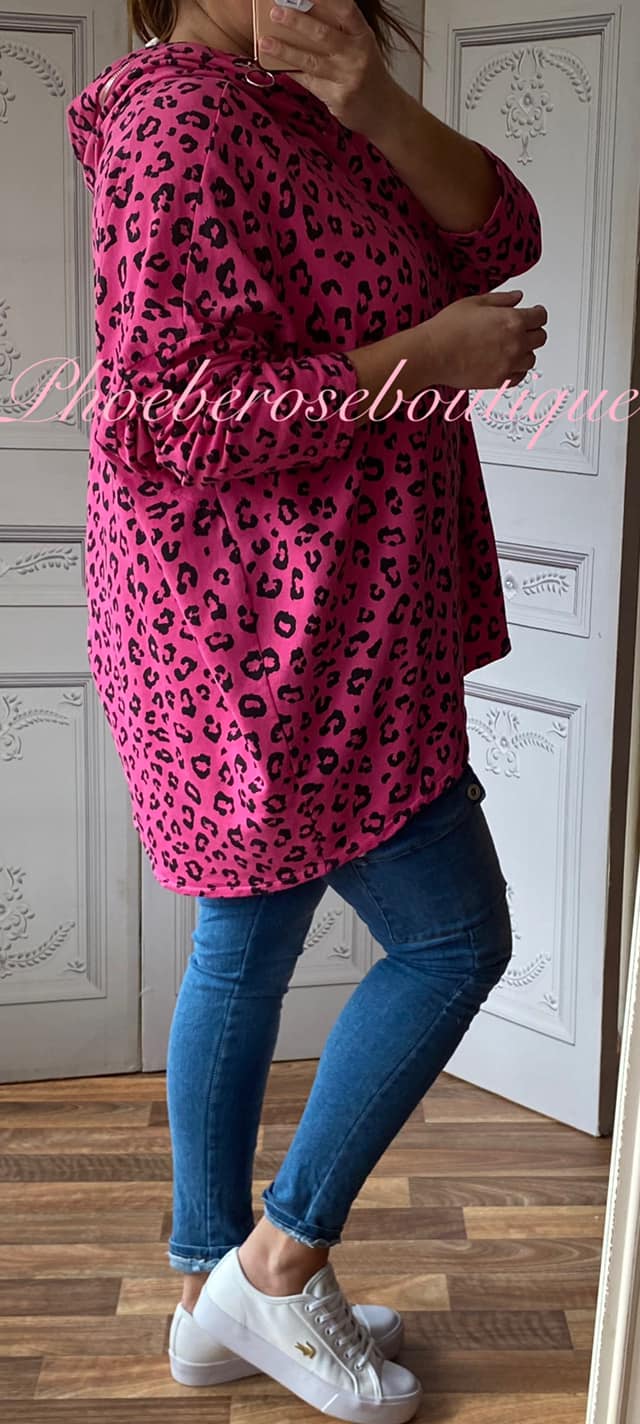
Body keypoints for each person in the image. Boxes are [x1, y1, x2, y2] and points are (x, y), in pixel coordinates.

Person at [66, 1, 546, 1418]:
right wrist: (430, 359)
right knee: (455, 939)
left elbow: (499, 232)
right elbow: (170, 416)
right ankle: (276, 1267)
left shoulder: (303, 107)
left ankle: (210, 1298)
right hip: (268, 641)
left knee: (246, 934)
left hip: (324, 616)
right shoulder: (182, 122)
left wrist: (372, 99)